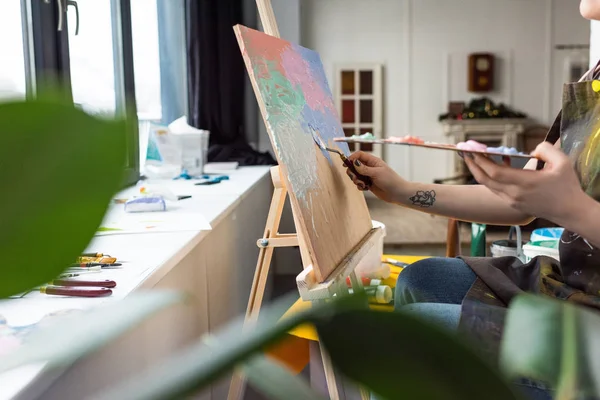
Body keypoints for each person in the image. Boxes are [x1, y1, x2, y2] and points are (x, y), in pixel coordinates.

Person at [346, 2, 600, 398]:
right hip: (572, 289)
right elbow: (520, 206)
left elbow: (566, 205)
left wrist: (574, 210)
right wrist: (401, 190)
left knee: (409, 337)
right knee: (419, 278)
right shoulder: (596, 78)